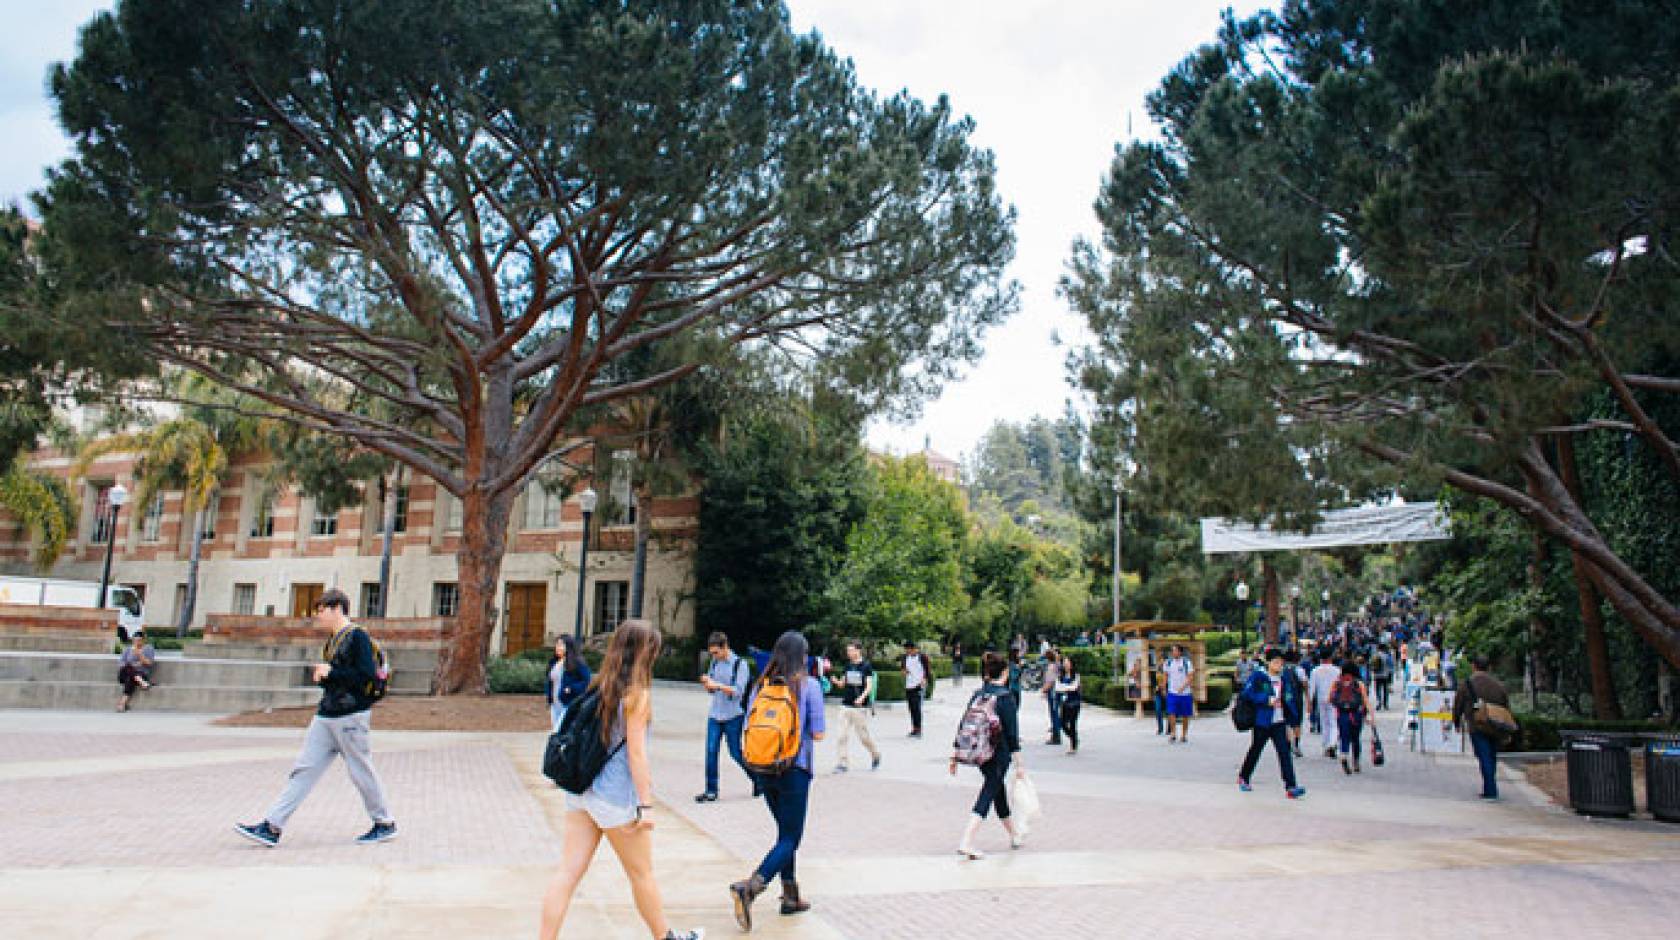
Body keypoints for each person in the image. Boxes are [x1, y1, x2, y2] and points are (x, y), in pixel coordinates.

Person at [538, 620, 703, 940]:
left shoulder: (598, 685)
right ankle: (665, 937)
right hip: (615, 798)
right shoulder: (636, 695)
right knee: (642, 875)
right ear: (643, 654)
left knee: (567, 874)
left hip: (581, 792)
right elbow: (636, 756)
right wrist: (647, 805)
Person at [235, 589, 395, 847]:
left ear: (337, 608)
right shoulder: (333, 640)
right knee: (304, 770)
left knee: (360, 771)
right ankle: (272, 826)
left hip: (351, 717)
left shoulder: (357, 637)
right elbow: (341, 678)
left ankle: (384, 822)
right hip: (327, 715)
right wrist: (326, 677)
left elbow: (365, 675)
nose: (318, 616)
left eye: (321, 610)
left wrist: (331, 673)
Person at [728, 631, 827, 931]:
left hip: (763, 767)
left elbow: (748, 725)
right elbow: (819, 733)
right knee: (790, 838)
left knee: (784, 833)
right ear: (803, 657)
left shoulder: (761, 686)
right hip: (795, 770)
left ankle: (790, 896)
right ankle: (752, 887)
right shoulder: (808, 686)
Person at [949, 652, 1025, 859]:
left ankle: (1015, 834)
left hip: (980, 753)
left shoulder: (978, 694)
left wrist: (955, 754)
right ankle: (967, 841)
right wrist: (1020, 765)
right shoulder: (1005, 697)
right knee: (989, 791)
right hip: (999, 753)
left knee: (997, 791)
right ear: (1006, 672)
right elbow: (1012, 735)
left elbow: (964, 724)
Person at [1237, 649, 1307, 799]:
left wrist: (1292, 721)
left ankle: (1291, 786)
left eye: (1281, 662)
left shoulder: (1284, 678)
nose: (1279, 665)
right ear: (1268, 662)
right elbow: (1247, 693)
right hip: (1262, 721)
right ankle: (1244, 776)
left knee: (1284, 753)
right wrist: (1265, 699)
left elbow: (1289, 698)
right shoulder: (1259, 676)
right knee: (1256, 750)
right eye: (1275, 662)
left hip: (1279, 722)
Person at [696, 631, 753, 803]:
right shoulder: (715, 663)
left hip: (733, 714)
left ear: (725, 647)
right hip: (715, 713)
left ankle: (758, 779)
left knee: (735, 752)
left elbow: (738, 691)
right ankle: (711, 790)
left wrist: (718, 685)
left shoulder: (740, 665)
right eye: (712, 653)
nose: (714, 656)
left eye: (716, 652)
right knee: (711, 751)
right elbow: (712, 689)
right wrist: (707, 684)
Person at [1453, 655, 1511, 801]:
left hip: (1477, 724)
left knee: (1483, 755)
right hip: (1496, 724)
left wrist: (1456, 722)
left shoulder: (1467, 684)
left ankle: (1490, 789)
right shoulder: (1498, 685)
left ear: (1474, 666)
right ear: (1489, 667)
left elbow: (1458, 704)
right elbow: (1506, 706)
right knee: (1491, 755)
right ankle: (1489, 784)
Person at [833, 641, 880, 773]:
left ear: (858, 651)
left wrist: (862, 697)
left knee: (863, 737)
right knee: (841, 735)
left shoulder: (866, 667)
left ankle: (875, 754)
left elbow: (869, 686)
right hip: (845, 705)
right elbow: (842, 684)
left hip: (859, 708)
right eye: (848, 651)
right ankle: (843, 763)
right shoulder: (847, 666)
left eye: (851, 650)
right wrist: (836, 681)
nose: (849, 653)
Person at [1331, 661, 1374, 775]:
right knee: (1355, 738)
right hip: (1356, 714)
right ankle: (1356, 762)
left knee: (1343, 736)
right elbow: (1365, 700)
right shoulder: (1358, 684)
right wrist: (1370, 715)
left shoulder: (1337, 683)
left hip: (1342, 714)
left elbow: (1330, 698)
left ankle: (1344, 755)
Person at [545, 634, 591, 731]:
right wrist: (549, 697)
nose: (557, 647)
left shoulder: (577, 663)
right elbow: (550, 681)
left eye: (561, 645)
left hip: (568, 702)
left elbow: (586, 681)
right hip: (555, 703)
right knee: (557, 730)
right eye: (557, 644)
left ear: (568, 647)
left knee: (558, 730)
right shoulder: (554, 662)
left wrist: (571, 688)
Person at [116, 628, 156, 712]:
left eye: (140, 640)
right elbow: (121, 663)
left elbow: (149, 663)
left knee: (131, 679)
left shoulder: (148, 648)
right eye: (136, 640)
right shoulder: (127, 649)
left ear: (143, 640)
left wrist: (140, 655)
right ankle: (140, 681)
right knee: (129, 668)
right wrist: (134, 665)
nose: (137, 642)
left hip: (141, 674)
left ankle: (122, 704)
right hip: (125, 673)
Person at [1309, 655, 1342, 758]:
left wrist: (1309, 701)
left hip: (1321, 699)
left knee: (1324, 722)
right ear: (1331, 658)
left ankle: (1326, 745)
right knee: (1334, 722)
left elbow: (1312, 687)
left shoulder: (1315, 671)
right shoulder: (1337, 670)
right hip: (1333, 698)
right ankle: (1332, 743)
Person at [1163, 644, 1195, 743]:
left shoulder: (1186, 663)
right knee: (1171, 713)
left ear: (1180, 652)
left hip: (1185, 693)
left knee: (1185, 715)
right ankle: (1173, 733)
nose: (1174, 653)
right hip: (1172, 692)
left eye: (1175, 651)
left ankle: (1184, 735)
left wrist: (1183, 687)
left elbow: (1190, 677)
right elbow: (1165, 675)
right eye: (1172, 651)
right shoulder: (1168, 663)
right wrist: (1164, 687)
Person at [903, 640, 931, 738]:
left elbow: (928, 670)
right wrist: (904, 672)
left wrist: (924, 679)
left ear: (914, 649)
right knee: (911, 708)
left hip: (919, 685)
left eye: (909, 649)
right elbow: (903, 669)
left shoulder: (922, 657)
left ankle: (919, 730)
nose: (908, 651)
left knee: (917, 708)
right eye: (906, 650)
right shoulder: (905, 657)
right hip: (909, 685)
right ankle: (914, 728)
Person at [1055, 654, 1082, 755]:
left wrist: (1065, 687)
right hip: (1065, 703)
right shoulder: (1060, 676)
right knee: (1062, 723)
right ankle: (1073, 738)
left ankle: (1073, 746)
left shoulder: (1076, 675)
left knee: (1073, 724)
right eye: (1064, 663)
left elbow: (1074, 687)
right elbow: (1057, 688)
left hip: (1074, 702)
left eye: (1068, 663)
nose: (1066, 665)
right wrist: (1067, 687)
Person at [1284, 650, 1308, 757]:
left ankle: (1287, 745)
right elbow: (1305, 684)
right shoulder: (1299, 670)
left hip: (1284, 699)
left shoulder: (1281, 670)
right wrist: (1308, 698)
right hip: (1296, 699)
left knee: (1286, 723)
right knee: (1297, 723)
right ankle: (1296, 744)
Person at [1041, 651, 1063, 745]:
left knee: (1054, 714)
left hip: (1053, 692)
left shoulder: (1051, 667)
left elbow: (1050, 682)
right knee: (1055, 713)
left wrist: (1043, 690)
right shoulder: (1057, 666)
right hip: (1057, 692)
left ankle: (1056, 737)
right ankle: (1056, 735)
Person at [1371, 644, 1394, 711]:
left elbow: (1371, 664)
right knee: (1385, 690)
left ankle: (1378, 702)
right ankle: (1385, 704)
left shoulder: (1374, 655)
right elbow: (1391, 665)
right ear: (1384, 649)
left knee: (1378, 689)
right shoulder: (1387, 656)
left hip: (1377, 675)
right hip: (1385, 675)